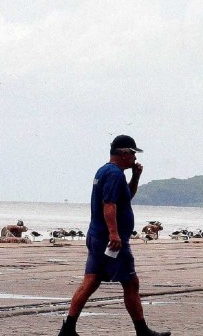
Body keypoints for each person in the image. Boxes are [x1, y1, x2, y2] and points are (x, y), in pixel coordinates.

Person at [58, 135, 170, 336]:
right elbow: (109, 205)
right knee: (130, 282)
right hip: (110, 241)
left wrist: (135, 177)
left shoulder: (107, 171)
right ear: (124, 153)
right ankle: (142, 332)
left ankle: (68, 330)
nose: (135, 158)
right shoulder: (113, 174)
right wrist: (114, 234)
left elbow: (126, 196)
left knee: (91, 281)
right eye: (133, 153)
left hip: (98, 236)